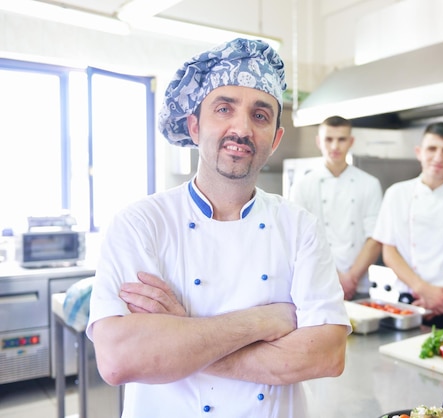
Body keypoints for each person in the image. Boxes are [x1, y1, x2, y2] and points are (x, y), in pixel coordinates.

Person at [86, 38, 351, 418]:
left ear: (275, 139)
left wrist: (181, 340)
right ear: (194, 127)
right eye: (224, 109)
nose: (241, 128)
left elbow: (327, 355)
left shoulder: (300, 228)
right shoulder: (141, 223)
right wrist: (264, 320)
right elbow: (119, 359)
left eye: (260, 116)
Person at [372, 122, 443, 328]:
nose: (438, 157)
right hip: (411, 299)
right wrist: (424, 290)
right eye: (432, 149)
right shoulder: (397, 193)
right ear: (419, 152)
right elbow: (389, 253)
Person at [289, 116, 383, 300]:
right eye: (329, 139)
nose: (335, 146)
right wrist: (336, 277)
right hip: (317, 283)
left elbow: (375, 238)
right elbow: (300, 238)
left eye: (341, 139)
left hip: (358, 284)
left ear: (351, 141)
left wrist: (351, 278)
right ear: (319, 141)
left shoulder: (369, 183)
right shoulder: (303, 185)